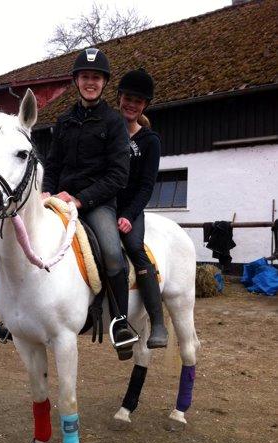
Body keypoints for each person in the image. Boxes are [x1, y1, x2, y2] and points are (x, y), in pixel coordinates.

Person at [0, 48, 137, 359]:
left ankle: (120, 322)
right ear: (77, 80)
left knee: (111, 251)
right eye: (85, 77)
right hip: (58, 199)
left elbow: (118, 175)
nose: (90, 82)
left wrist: (83, 199)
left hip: (96, 203)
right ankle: (13, 318)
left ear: (104, 82)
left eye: (96, 78)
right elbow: (52, 164)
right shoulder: (65, 120)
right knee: (19, 243)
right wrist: (47, 191)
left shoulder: (113, 122)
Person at [116, 68, 168, 348]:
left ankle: (157, 322)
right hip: (101, 205)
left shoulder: (150, 141)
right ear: (119, 98)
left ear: (144, 105)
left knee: (136, 250)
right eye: (128, 98)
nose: (132, 104)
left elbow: (147, 186)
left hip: (131, 209)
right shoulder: (108, 131)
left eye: (138, 100)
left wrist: (128, 215)